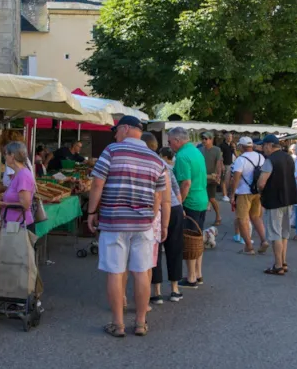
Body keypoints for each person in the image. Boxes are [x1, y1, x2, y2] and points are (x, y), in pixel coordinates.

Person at [87, 116, 169, 337]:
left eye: (116, 130)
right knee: (142, 272)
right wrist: (150, 217)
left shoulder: (112, 151)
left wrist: (92, 212)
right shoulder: (157, 160)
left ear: (125, 129)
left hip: (114, 221)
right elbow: (158, 197)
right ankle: (141, 322)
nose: (114, 135)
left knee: (115, 271)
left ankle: (118, 324)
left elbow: (97, 183)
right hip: (143, 224)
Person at [142, 135, 185, 304]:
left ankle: (157, 291)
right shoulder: (164, 165)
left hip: (156, 209)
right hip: (174, 208)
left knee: (155, 250)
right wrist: (180, 209)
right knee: (175, 248)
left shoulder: (145, 164)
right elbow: (176, 189)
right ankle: (175, 289)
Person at [168, 127, 208, 288]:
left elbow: (185, 183)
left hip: (190, 201)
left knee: (189, 240)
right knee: (198, 238)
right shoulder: (196, 151)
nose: (170, 145)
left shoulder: (182, 156)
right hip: (201, 198)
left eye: (170, 142)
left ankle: (191, 277)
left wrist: (179, 203)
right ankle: (198, 273)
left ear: (178, 140)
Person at [258, 134, 297, 275]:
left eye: (264, 146)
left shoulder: (270, 161)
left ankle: (278, 265)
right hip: (288, 198)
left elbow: (262, 182)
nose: (263, 149)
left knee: (275, 233)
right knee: (284, 233)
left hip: (274, 200)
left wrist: (258, 189)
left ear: (269, 145)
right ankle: (283, 261)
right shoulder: (288, 157)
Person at [230, 136, 268, 255]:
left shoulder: (240, 159)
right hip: (257, 192)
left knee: (243, 218)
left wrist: (232, 194)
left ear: (241, 146)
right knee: (256, 217)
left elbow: (236, 178)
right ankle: (264, 240)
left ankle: (249, 247)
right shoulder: (260, 157)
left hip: (243, 192)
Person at [0, 141, 36, 225]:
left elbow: (25, 205)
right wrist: (1, 197)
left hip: (20, 227)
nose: (4, 157)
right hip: (14, 225)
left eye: (6, 154)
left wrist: (3, 204)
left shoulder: (23, 175)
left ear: (12, 156)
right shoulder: (17, 174)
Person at [198, 132, 224, 226]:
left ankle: (218, 216)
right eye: (203, 138)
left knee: (212, 198)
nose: (204, 140)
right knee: (202, 198)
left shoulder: (216, 150)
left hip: (212, 177)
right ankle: (201, 217)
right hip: (201, 177)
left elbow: (218, 163)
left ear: (211, 139)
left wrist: (218, 175)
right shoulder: (200, 149)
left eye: (206, 138)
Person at [220, 132, 235, 202]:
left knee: (228, 179)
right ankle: (224, 193)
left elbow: (235, 154)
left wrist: (234, 148)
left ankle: (226, 193)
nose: (230, 138)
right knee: (224, 179)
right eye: (229, 137)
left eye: (231, 137)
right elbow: (220, 156)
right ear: (225, 137)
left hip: (230, 164)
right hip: (225, 164)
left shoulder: (231, 145)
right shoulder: (222, 145)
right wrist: (222, 164)